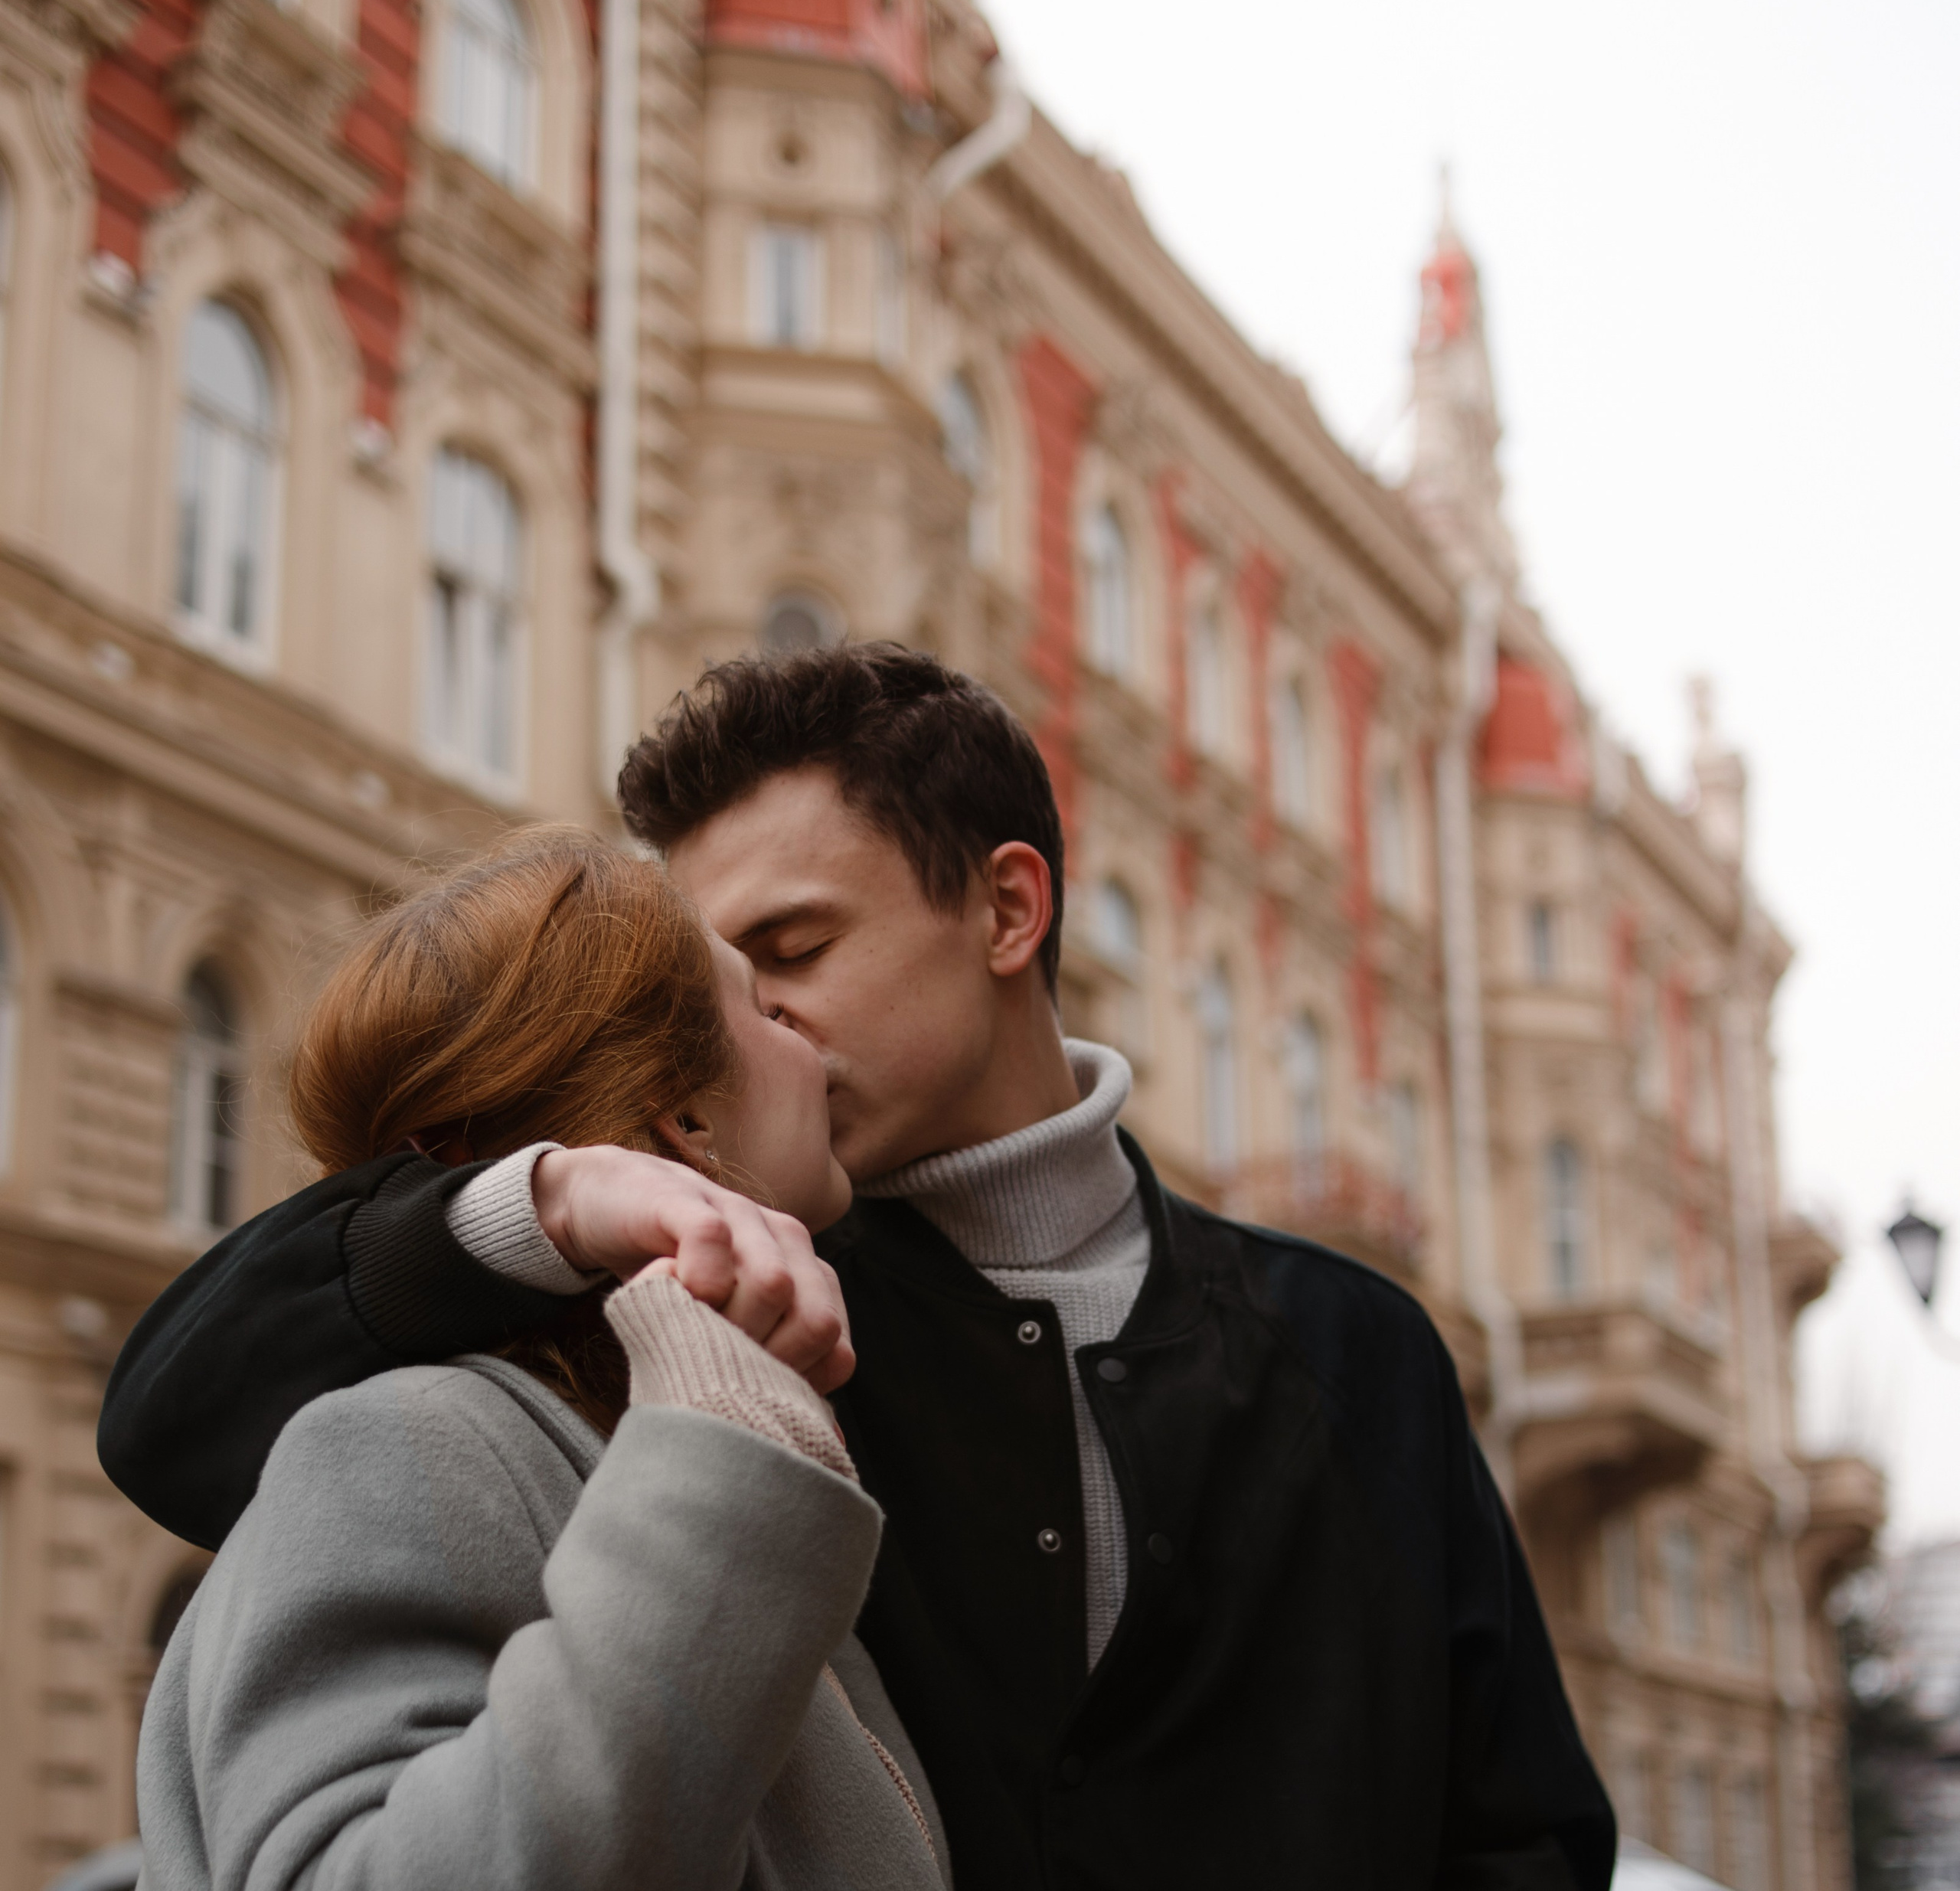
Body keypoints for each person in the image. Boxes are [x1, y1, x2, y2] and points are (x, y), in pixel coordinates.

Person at [106, 644, 1617, 1891]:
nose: (745, 1026)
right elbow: (184, 1419)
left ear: (1006, 910)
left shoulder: (1355, 1350)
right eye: (717, 987)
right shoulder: (731, 1326)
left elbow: (1517, 1838)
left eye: (793, 951)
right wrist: (548, 1197)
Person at [133, 826, 946, 1891]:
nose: (810, 1037)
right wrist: (726, 1453)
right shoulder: (401, 1439)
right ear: (686, 1115)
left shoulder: (618, 1445)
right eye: (766, 1006)